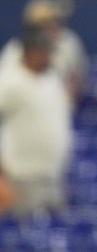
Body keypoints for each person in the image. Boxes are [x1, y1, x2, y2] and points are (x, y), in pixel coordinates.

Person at [0, 27, 73, 218]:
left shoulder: (51, 78)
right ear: (30, 52)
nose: (49, 56)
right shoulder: (9, 80)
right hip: (20, 178)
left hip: (53, 176)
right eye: (44, 51)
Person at [0, 0, 89, 107]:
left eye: (57, 21)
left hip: (59, 108)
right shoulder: (14, 50)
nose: (55, 26)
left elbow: (76, 78)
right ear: (35, 27)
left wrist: (64, 102)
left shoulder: (69, 42)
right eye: (49, 23)